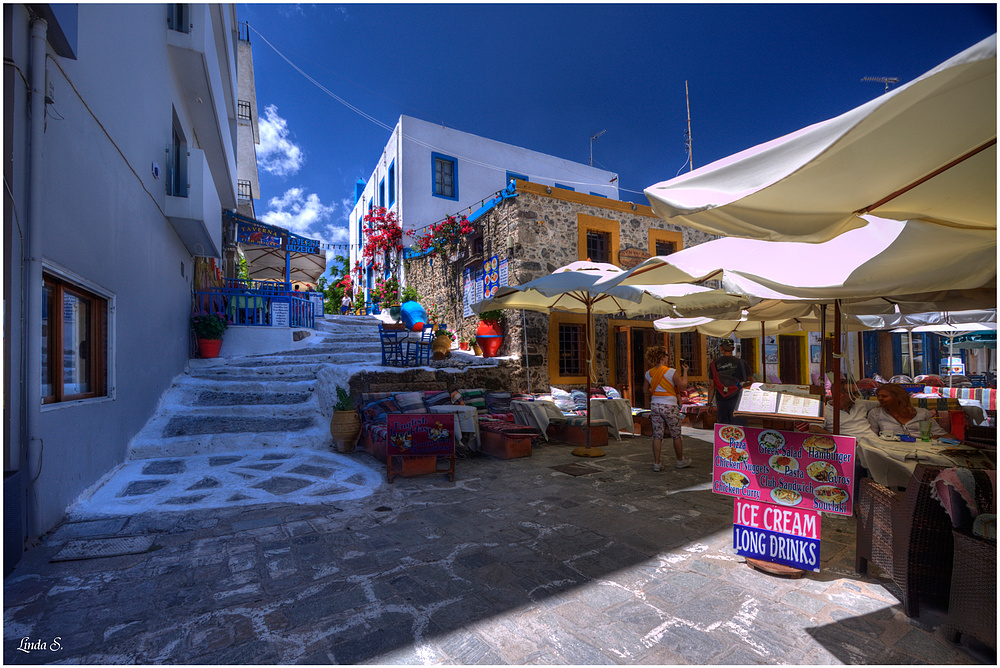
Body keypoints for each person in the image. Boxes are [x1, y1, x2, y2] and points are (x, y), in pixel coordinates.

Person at [643, 345, 690, 471]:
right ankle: (680, 460)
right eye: (666, 355)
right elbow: (683, 386)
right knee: (676, 434)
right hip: (670, 405)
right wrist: (685, 372)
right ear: (662, 357)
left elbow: (645, 391)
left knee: (657, 435)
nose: (667, 357)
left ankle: (657, 463)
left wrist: (656, 390)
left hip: (655, 405)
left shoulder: (649, 373)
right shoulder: (671, 372)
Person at [867, 383, 951, 439]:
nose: (880, 399)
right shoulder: (876, 413)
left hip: (921, 448)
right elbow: (872, 437)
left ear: (898, 398)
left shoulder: (923, 413)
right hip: (891, 450)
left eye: (884, 396)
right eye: (879, 396)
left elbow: (939, 433)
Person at [708, 339, 753, 426]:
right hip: (739, 399)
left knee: (724, 427)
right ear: (733, 349)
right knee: (739, 426)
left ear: (721, 348)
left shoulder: (714, 364)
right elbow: (751, 381)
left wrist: (709, 403)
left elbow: (711, 386)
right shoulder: (742, 363)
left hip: (721, 399)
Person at [809, 380, 877, 438]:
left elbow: (882, 403)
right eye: (853, 393)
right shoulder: (824, 411)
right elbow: (814, 428)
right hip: (855, 446)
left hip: (873, 440)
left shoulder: (859, 403)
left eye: (856, 393)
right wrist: (839, 440)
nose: (856, 396)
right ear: (839, 395)